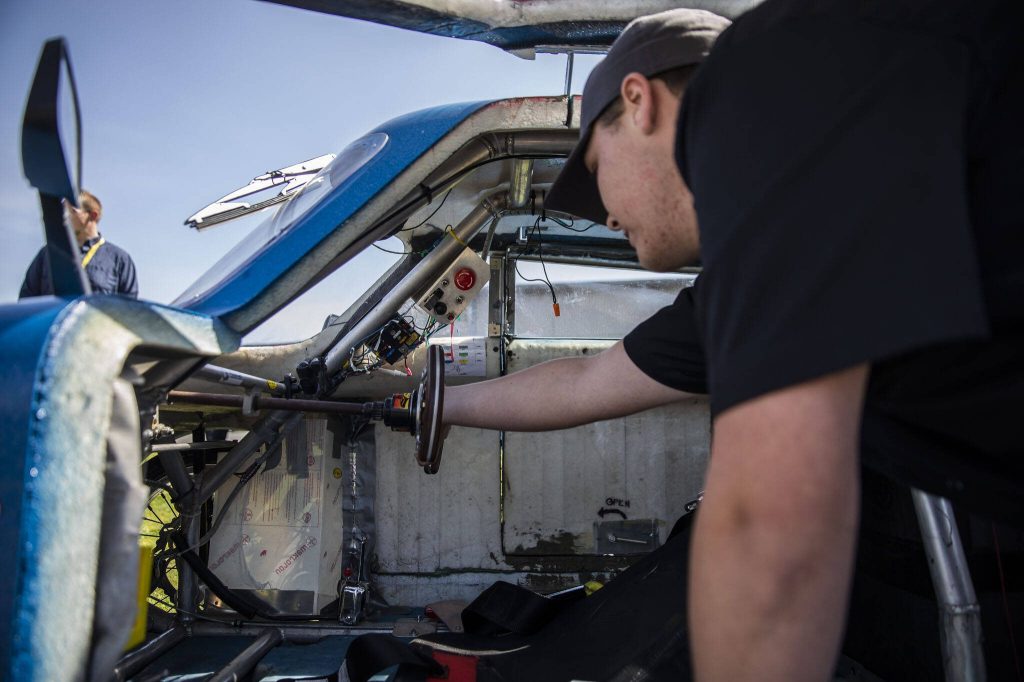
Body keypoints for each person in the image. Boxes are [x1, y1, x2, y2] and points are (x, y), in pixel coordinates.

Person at [442, 3, 1023, 681]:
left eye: (594, 165)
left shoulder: (765, 84)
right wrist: (442, 405)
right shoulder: (779, 258)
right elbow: (587, 381)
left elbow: (768, 535)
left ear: (640, 102)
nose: (602, 212)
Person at [19, 189, 138, 298]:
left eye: (72, 211)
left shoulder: (120, 259)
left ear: (92, 215)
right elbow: (26, 299)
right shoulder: (48, 254)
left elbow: (129, 310)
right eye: (64, 211)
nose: (65, 217)